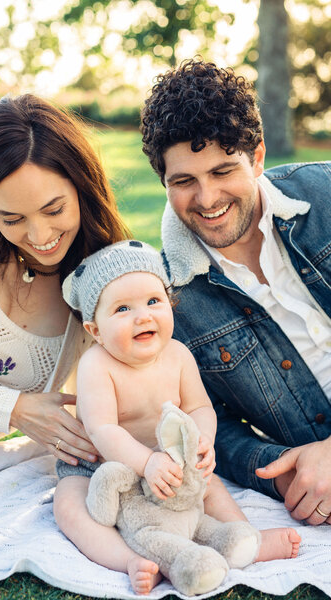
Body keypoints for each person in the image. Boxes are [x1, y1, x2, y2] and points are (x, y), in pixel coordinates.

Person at [140, 58, 331, 526]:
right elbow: (205, 426)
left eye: (223, 171)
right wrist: (283, 473)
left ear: (258, 156)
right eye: (183, 181)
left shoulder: (327, 193)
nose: (207, 200)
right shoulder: (165, 297)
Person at [54, 240, 300, 596]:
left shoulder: (178, 355)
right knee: (69, 506)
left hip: (171, 464)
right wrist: (146, 461)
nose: (143, 316)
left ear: (169, 304)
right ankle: (130, 560)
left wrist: (201, 443)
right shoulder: (97, 365)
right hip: (102, 467)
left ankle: (245, 539)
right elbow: (102, 428)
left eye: (154, 301)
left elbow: (200, 407)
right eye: (123, 308)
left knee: (211, 487)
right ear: (95, 331)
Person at [0, 93, 129, 460]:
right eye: (12, 219)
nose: (40, 237)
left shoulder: (103, 281)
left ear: (82, 187)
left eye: (54, 210)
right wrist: (15, 408)